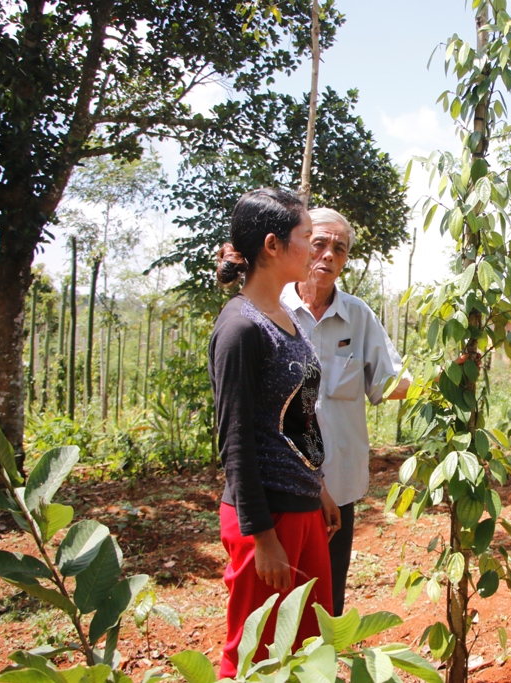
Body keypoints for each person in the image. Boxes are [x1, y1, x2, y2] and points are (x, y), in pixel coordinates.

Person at [209, 189, 341, 677]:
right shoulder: (240, 329)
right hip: (267, 518)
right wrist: (262, 536)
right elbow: (235, 440)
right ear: (273, 245)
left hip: (302, 507)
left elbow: (298, 416)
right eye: (307, 238)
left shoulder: (287, 321)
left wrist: (319, 486)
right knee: (254, 652)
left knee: (309, 648)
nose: (315, 250)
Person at [280, 207, 410, 617]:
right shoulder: (272, 310)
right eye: (319, 243)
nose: (328, 255)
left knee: (328, 599)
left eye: (339, 248)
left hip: (339, 484)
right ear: (301, 246)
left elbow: (388, 383)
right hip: (282, 486)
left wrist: (440, 379)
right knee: (280, 601)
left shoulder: (358, 315)